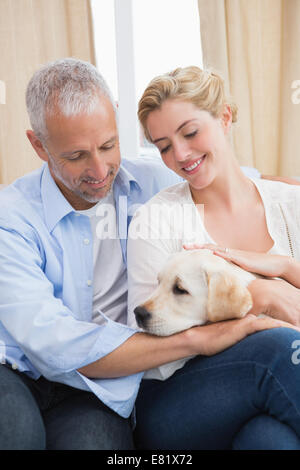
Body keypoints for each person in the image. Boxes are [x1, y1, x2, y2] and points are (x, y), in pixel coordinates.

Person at [0, 58, 296, 450]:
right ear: (39, 145)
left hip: (101, 387)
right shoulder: (12, 219)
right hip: (22, 368)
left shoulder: (149, 179)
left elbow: (234, 176)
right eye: (76, 156)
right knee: (16, 435)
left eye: (108, 145)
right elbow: (57, 344)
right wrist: (209, 335)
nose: (100, 169)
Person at [126, 66, 300, 450]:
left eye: (190, 133)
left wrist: (287, 267)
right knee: (276, 348)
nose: (181, 154)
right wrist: (264, 296)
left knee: (270, 441)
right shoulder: (156, 220)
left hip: (274, 393)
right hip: (180, 398)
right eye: (164, 146)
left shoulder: (291, 205)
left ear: (224, 117)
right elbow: (148, 342)